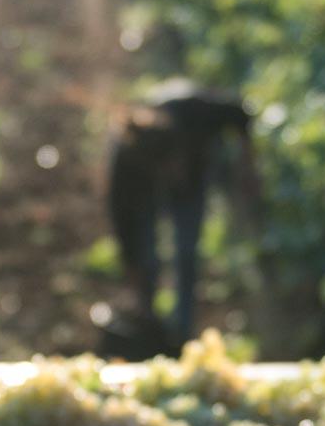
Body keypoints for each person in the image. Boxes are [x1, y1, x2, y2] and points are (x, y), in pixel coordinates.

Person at [103, 79, 259, 356]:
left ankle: (183, 337)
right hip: (147, 183)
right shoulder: (127, 168)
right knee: (147, 256)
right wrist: (134, 278)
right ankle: (149, 323)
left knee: (186, 253)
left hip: (194, 179)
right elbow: (125, 227)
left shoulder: (197, 114)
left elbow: (241, 114)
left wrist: (247, 165)